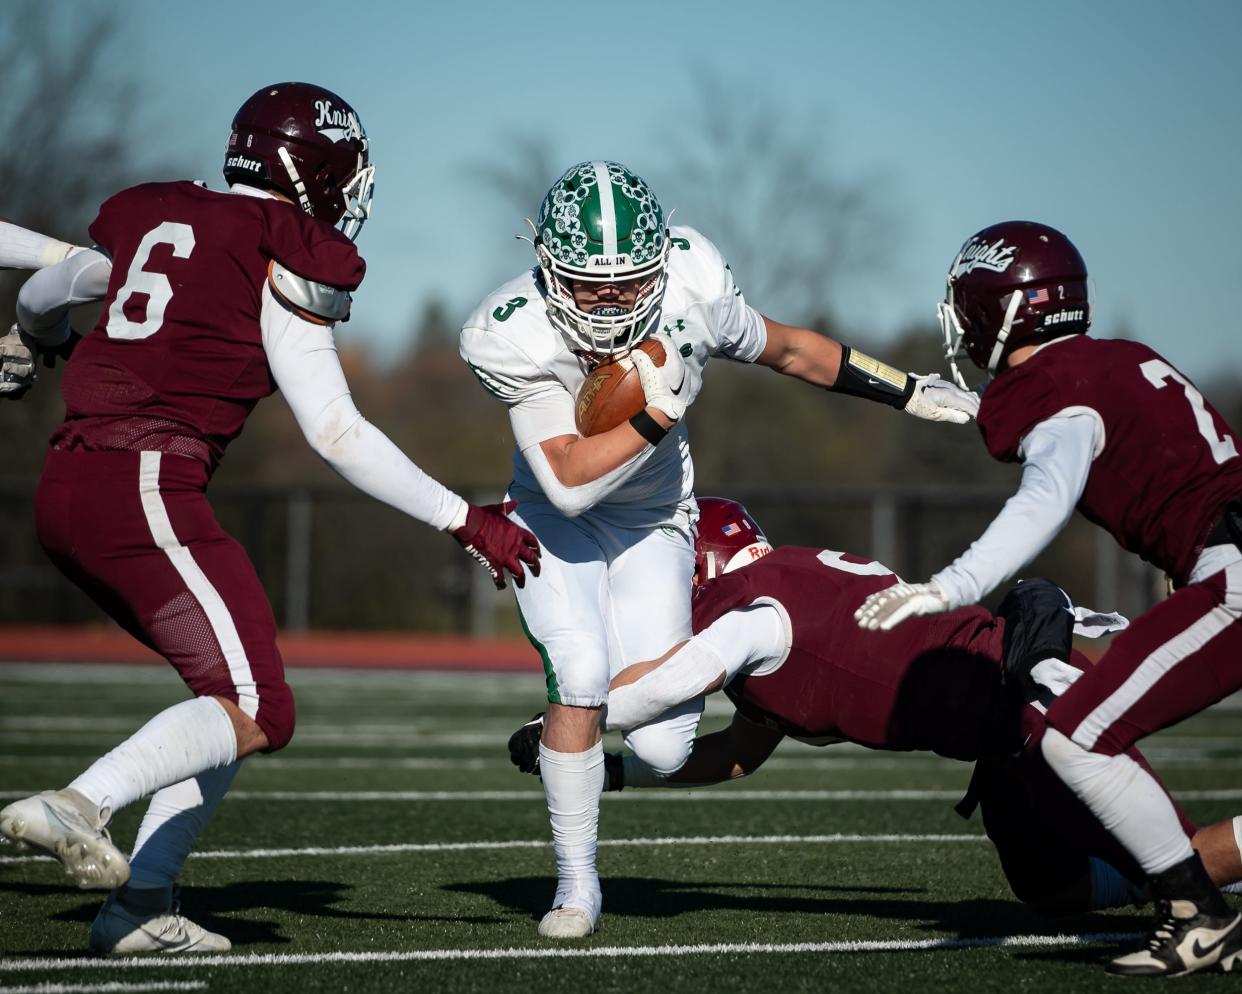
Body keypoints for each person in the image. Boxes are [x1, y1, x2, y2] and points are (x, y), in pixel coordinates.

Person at [0, 81, 539, 955]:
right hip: (141, 482)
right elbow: (336, 431)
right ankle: (82, 802)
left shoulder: (158, 219)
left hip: (70, 486)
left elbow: (51, 285)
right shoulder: (280, 248)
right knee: (261, 705)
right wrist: (465, 520)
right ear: (313, 168)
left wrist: (34, 340)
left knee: (226, 700)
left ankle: (138, 907)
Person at [460, 160, 982, 938]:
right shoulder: (507, 330)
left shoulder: (693, 283)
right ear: (546, 267)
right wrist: (654, 418)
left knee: (668, 747)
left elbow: (793, 351)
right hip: (553, 515)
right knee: (580, 666)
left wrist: (906, 389)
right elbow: (569, 480)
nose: (608, 302)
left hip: (655, 515)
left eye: (627, 283)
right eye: (587, 283)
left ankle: (568, 745)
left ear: (659, 264)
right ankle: (576, 888)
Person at [509, 497, 1242, 923]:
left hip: (1030, 706)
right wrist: (609, 774)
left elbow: (677, 679)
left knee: (1184, 864)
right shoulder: (776, 610)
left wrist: (565, 725)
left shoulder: (756, 616)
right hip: (998, 729)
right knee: (1053, 893)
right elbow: (738, 755)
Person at [854, 221, 1242, 976]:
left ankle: (1198, 915)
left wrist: (952, 584)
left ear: (1001, 310)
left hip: (1233, 575)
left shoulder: (1056, 395)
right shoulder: (1123, 361)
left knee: (1073, 737)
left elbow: (1045, 497)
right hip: (1223, 562)